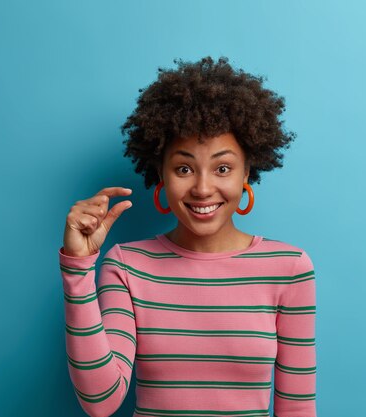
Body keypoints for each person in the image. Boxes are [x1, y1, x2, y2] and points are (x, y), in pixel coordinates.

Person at [59, 56, 317, 417]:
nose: (202, 188)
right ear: (161, 174)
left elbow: (297, 409)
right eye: (183, 168)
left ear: (247, 171)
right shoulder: (126, 265)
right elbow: (100, 403)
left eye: (223, 168)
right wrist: (78, 272)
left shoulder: (289, 268)